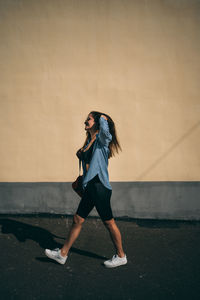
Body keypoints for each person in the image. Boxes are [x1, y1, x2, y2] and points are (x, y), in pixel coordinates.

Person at [45, 111, 127, 268]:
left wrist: (103, 118)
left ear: (96, 122)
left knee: (109, 223)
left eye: (88, 119)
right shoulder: (90, 141)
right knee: (78, 219)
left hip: (99, 187)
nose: (85, 121)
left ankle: (121, 256)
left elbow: (106, 133)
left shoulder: (102, 141)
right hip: (91, 188)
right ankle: (62, 254)